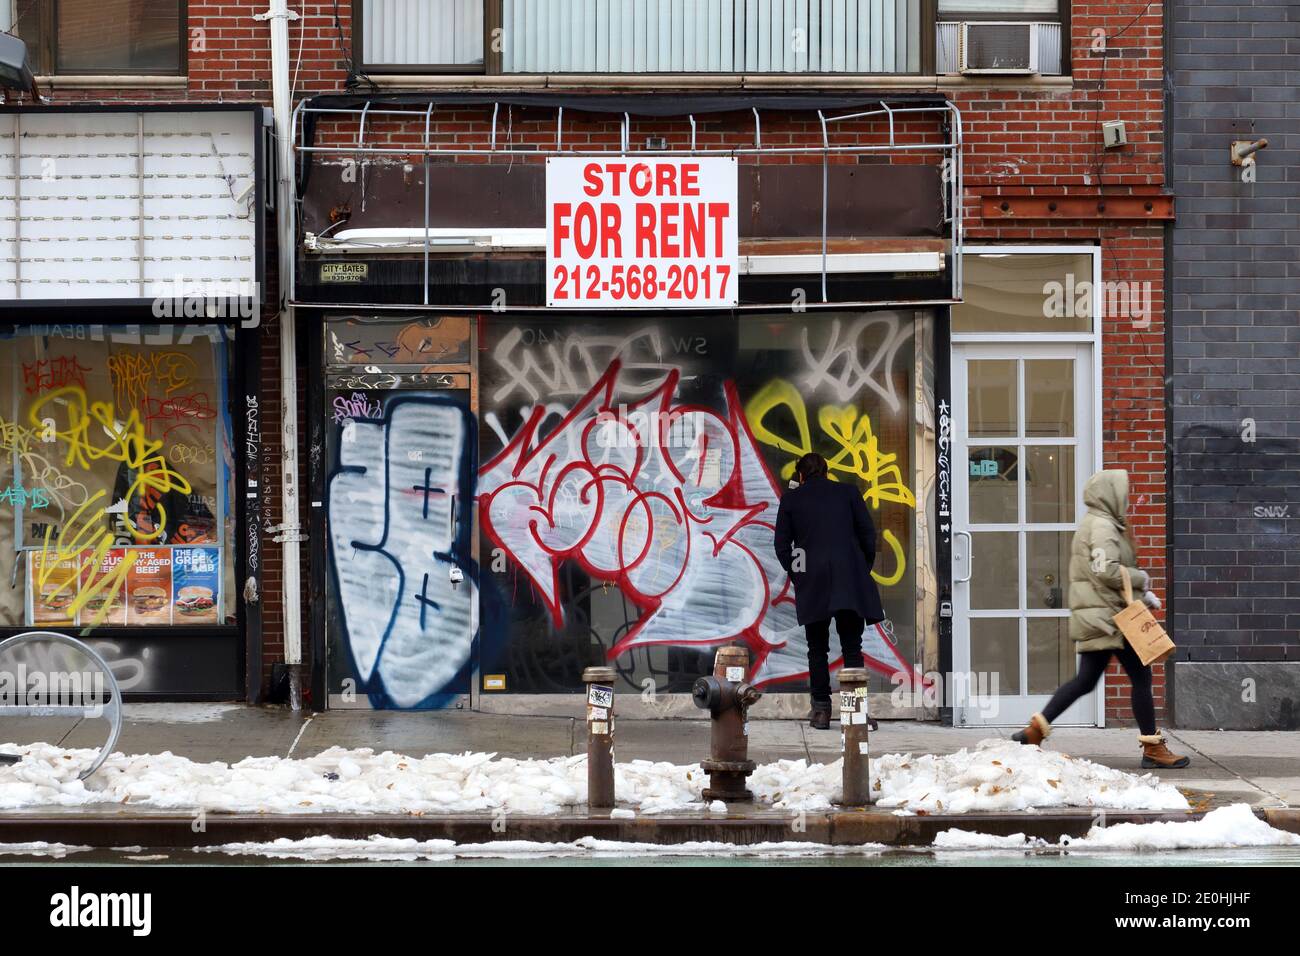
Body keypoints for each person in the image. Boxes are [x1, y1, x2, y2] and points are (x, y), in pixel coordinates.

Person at [1012, 469, 1189, 769]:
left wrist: (1141, 595)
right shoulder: (1103, 526)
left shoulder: (1099, 524)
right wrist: (1141, 579)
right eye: (1124, 493)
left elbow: (1107, 575)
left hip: (1103, 614)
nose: (1128, 499)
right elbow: (1106, 570)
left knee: (1086, 680)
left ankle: (1035, 730)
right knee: (1140, 677)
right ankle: (1153, 749)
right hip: (1109, 618)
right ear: (1110, 494)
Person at [773, 452, 885, 729]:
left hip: (813, 579)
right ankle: (856, 711)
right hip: (849, 578)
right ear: (826, 471)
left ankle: (821, 711)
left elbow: (782, 545)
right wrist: (860, 567)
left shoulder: (792, 500)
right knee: (852, 647)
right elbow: (868, 535)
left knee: (816, 648)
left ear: (801, 475)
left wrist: (799, 573)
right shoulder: (847, 492)